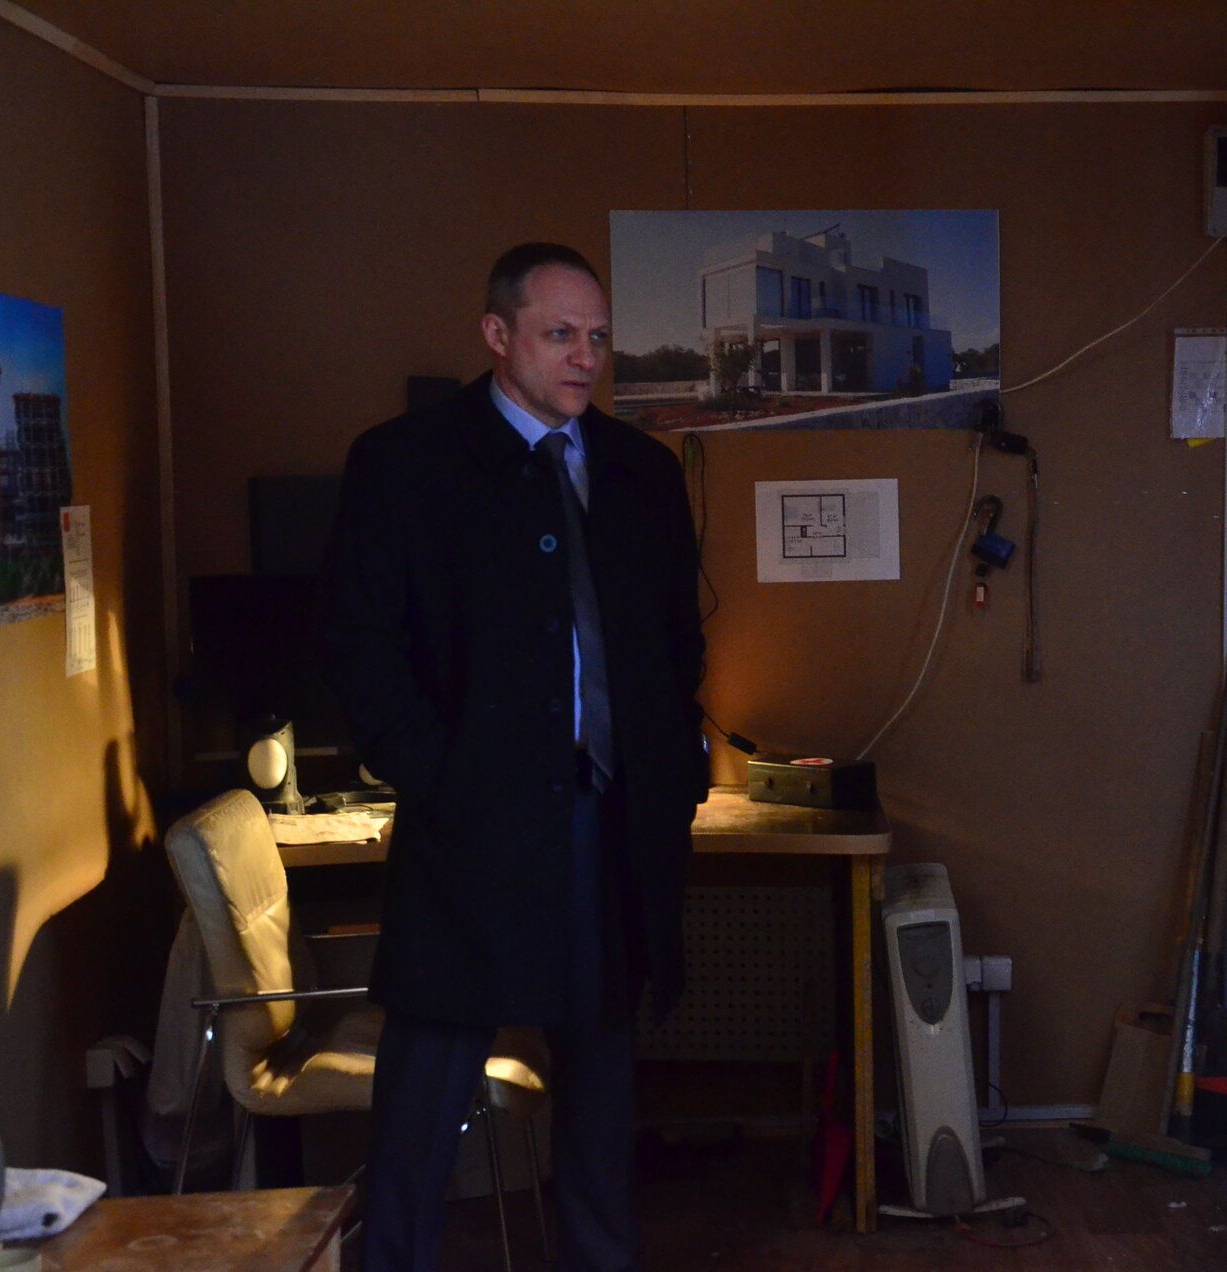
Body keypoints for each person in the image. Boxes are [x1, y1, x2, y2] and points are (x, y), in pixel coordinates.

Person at [320, 242, 708, 1270]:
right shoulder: (406, 463)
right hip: (471, 825)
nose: (586, 357)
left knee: (600, 1078)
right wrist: (436, 773)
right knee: (428, 1077)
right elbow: (360, 643)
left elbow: (677, 641)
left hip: (610, 820)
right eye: (559, 334)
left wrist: (671, 771)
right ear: (497, 335)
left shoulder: (640, 473)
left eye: (598, 337)